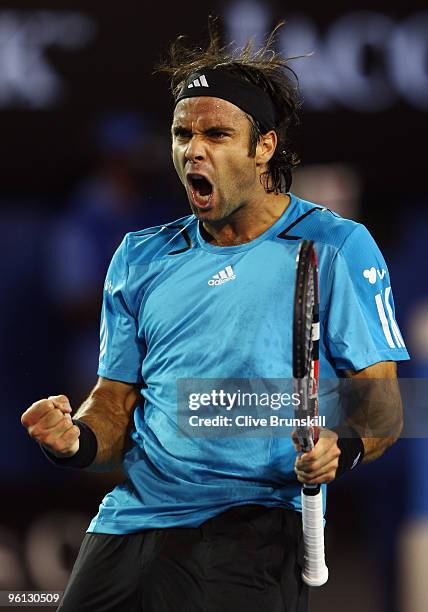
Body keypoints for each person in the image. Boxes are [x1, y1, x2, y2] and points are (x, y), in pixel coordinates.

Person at [21, 23, 409, 612]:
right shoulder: (139, 255)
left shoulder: (335, 245)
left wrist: (343, 447)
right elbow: (113, 405)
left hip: (252, 526)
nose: (192, 150)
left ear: (264, 148)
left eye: (216, 134)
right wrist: (74, 441)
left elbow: (381, 402)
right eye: (182, 133)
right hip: (128, 521)